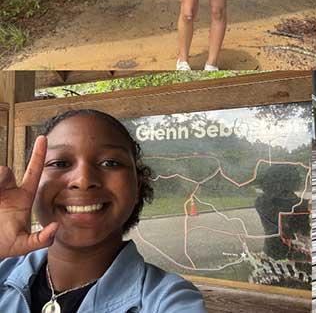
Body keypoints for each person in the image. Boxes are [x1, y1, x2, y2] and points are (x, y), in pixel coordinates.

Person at [0, 109, 206, 312]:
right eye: (60, 163)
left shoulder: (167, 301)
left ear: (137, 187)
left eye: (110, 163)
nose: (83, 180)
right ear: (32, 184)